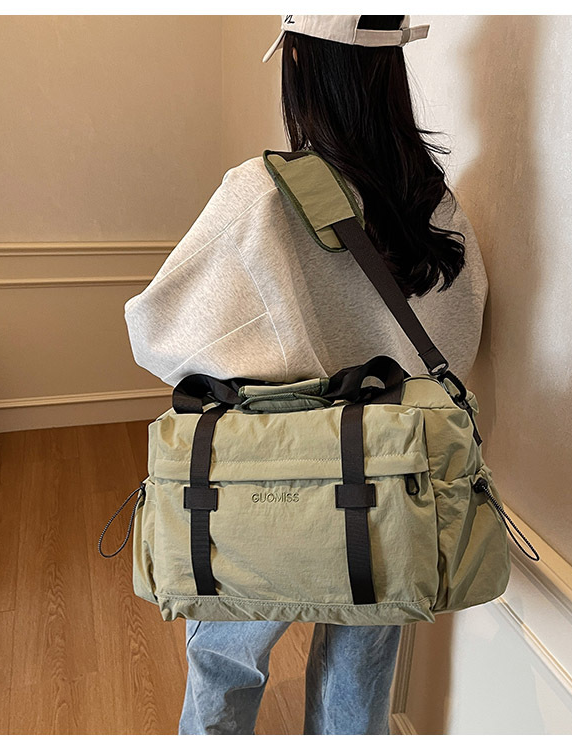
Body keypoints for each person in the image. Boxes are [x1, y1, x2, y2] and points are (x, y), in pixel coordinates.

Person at [123, 14, 488, 736]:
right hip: (388, 480)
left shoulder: (260, 193)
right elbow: (455, 342)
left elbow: (156, 330)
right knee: (359, 678)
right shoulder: (432, 199)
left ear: (298, 65)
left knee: (225, 662)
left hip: (263, 478)